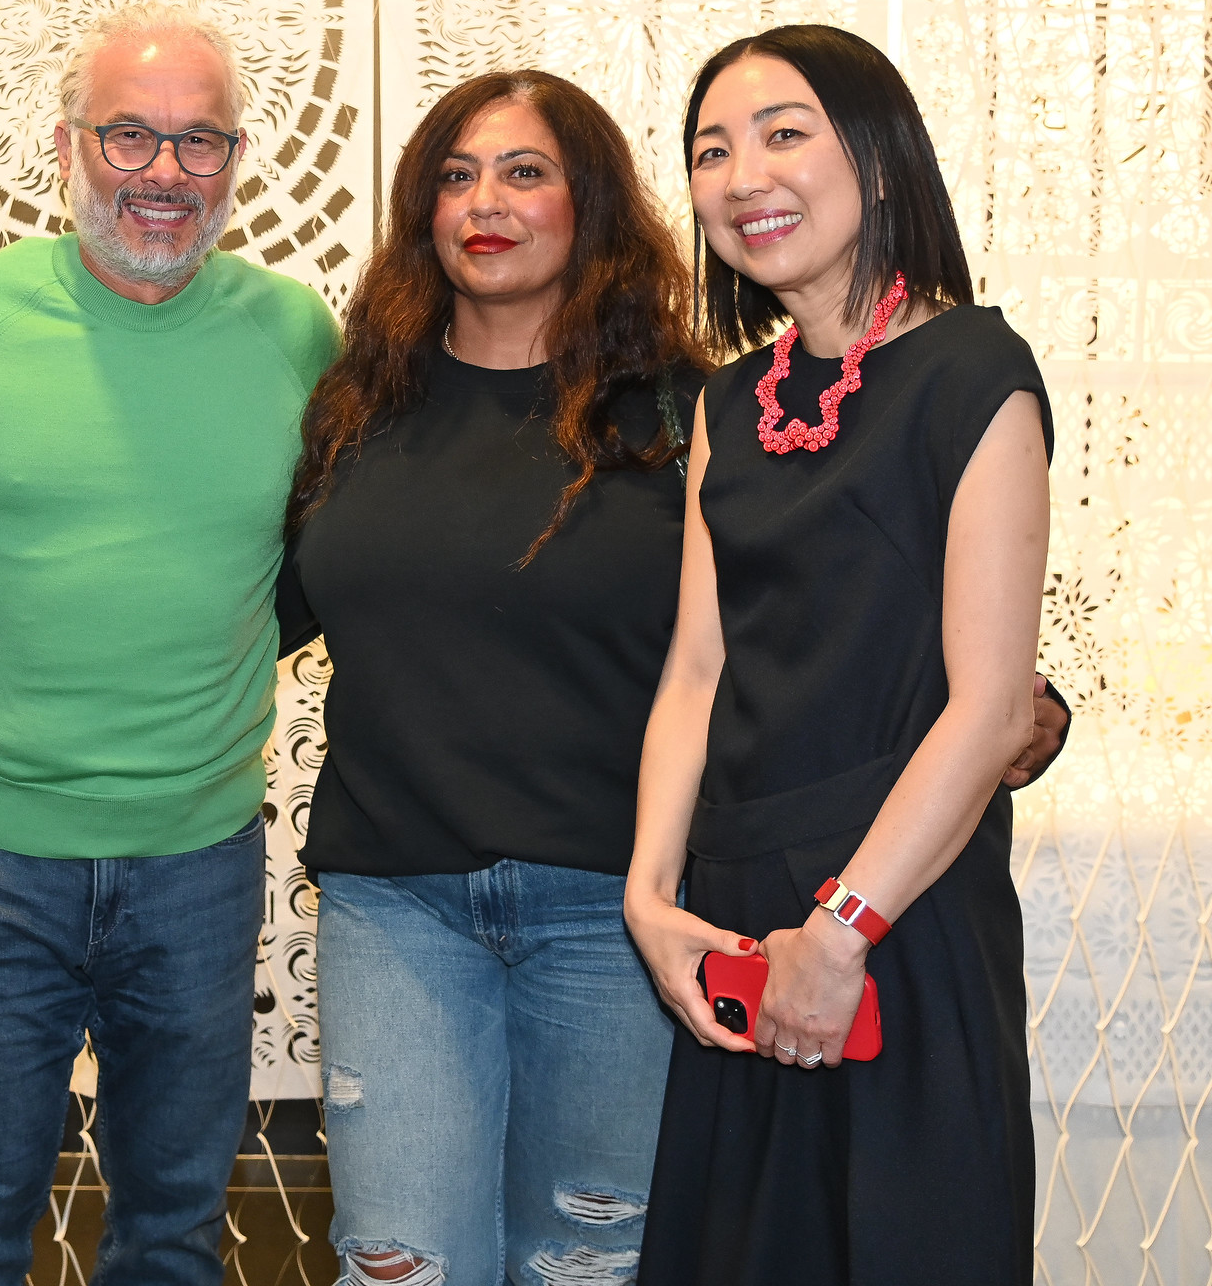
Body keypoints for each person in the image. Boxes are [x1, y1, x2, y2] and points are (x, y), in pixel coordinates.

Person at [279, 66, 1071, 1286]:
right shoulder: (360, 405)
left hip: (641, 907)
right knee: (404, 1262)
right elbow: (708, 661)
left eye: (524, 170)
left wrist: (1018, 711)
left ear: (592, 203)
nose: (483, 200)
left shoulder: (681, 405)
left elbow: (871, 623)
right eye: (453, 174)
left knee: (595, 1263)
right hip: (433, 900)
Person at [0, 1, 341, 1286]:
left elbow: (343, 559)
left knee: (173, 1236)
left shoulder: (300, 337)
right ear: (65, 144)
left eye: (200, 143)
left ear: (237, 163)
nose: (162, 174)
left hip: (197, 859)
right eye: (128, 135)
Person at [625, 24, 1051, 1283]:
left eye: (782, 133)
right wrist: (651, 901)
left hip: (897, 916)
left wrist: (841, 930)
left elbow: (986, 707)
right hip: (740, 922)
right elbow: (696, 670)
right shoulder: (723, 404)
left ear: (875, 155)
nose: (740, 174)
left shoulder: (975, 372)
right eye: (709, 150)